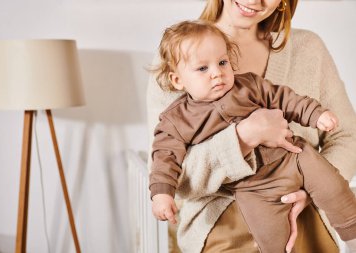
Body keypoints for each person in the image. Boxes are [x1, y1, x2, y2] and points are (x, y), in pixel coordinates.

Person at [146, 0, 356, 252]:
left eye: (223, 63)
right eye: (203, 68)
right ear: (177, 80)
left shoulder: (307, 49)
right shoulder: (177, 55)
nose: (254, 0)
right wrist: (242, 137)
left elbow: (346, 134)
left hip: (307, 205)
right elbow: (169, 169)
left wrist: (311, 190)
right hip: (222, 222)